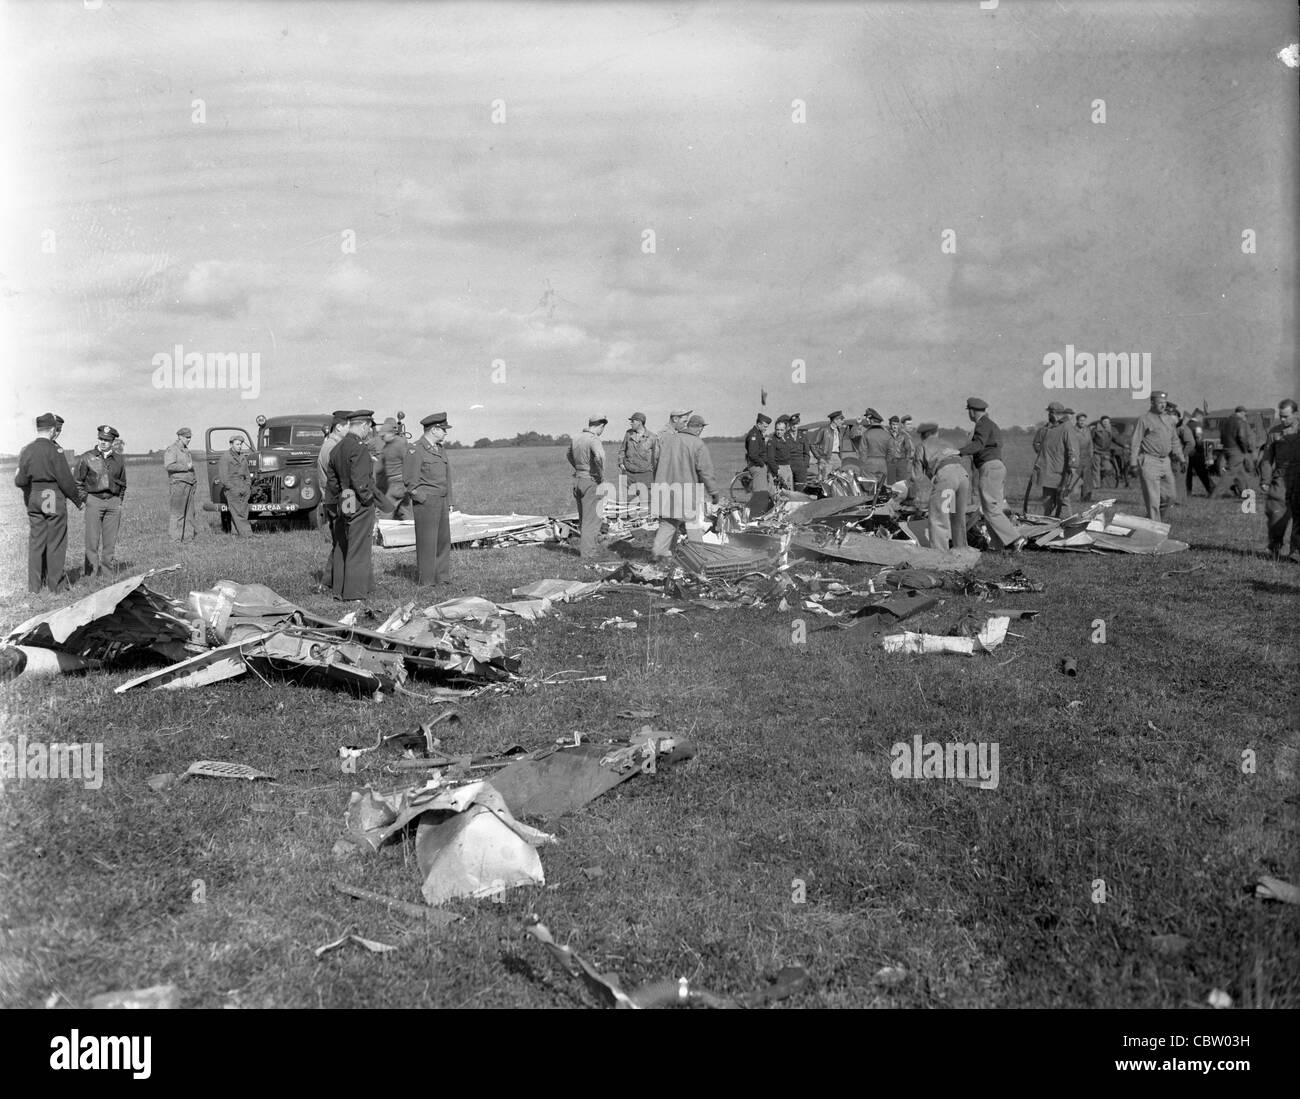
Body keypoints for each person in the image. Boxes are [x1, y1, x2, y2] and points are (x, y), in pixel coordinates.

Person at [14, 412, 84, 593]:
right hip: (51, 496)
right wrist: (78, 500)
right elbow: (65, 480)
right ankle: (56, 586)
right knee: (56, 540)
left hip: (34, 497)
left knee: (36, 542)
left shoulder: (27, 450)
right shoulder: (55, 450)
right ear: (52, 430)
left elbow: (20, 481)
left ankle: (34, 588)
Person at [651, 413, 721, 559]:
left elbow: (656, 461)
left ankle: (657, 553)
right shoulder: (698, 444)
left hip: (665, 489)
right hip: (686, 491)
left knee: (668, 522)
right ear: (700, 428)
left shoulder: (669, 440)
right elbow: (706, 472)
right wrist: (714, 493)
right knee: (693, 524)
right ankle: (699, 557)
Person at [959, 398, 1024, 551]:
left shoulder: (982, 424)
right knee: (993, 509)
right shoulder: (991, 424)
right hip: (997, 467)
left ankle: (1015, 539)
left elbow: (978, 444)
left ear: (971, 411)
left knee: (990, 509)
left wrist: (959, 451)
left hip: (989, 467)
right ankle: (998, 545)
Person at [327, 410, 379, 599]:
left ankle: (339, 589)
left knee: (343, 545)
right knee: (359, 547)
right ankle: (354, 593)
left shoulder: (337, 448)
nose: (369, 432)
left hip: (344, 499)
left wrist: (334, 505)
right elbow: (360, 481)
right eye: (368, 427)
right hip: (358, 500)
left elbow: (332, 483)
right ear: (364, 425)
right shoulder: (359, 448)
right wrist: (368, 500)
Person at [403, 412, 454, 585]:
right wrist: (423, 499)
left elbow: (447, 478)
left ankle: (442, 577)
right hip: (426, 503)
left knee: (442, 542)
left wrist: (449, 502)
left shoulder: (440, 449)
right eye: (443, 430)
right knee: (427, 543)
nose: (446, 433)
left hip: (441, 501)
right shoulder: (415, 449)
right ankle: (427, 580)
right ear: (434, 430)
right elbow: (410, 481)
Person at [74, 425, 127, 578]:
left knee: (110, 542)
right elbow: (77, 482)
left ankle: (107, 574)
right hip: (94, 501)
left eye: (107, 440)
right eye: (101, 439)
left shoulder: (118, 459)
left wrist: (119, 501)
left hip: (113, 503)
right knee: (92, 541)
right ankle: (90, 575)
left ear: (113, 441)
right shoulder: (86, 457)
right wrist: (86, 499)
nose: (103, 442)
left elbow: (123, 483)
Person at [1128, 390, 1182, 523]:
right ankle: (1154, 527)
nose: (1163, 406)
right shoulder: (1144, 419)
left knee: (1171, 496)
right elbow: (1136, 442)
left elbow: (1174, 440)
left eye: (1165, 403)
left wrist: (1181, 457)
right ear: (1152, 403)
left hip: (1165, 461)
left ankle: (1153, 521)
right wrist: (1133, 463)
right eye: (1160, 403)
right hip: (1149, 460)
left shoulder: (1169, 420)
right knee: (1153, 499)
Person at [1258, 398, 1300, 561]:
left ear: (1296, 414)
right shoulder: (1274, 432)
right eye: (1280, 416)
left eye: (1286, 416)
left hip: (1299, 478)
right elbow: (1267, 459)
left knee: (1299, 515)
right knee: (1275, 514)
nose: (1282, 420)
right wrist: (1265, 480)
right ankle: (1275, 546)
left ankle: (1296, 551)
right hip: (1280, 478)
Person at [916, 423, 969, 551]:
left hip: (946, 478)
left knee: (939, 517)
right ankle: (961, 550)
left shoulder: (922, 445)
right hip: (962, 475)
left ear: (923, 436)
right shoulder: (947, 443)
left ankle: (940, 555)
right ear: (936, 433)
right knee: (956, 515)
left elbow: (917, 475)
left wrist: (916, 498)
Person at [568, 415, 613, 561]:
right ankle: (589, 555)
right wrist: (600, 476)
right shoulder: (594, 439)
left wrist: (579, 468)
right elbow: (600, 456)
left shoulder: (576, 438)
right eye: (603, 428)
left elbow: (568, 455)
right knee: (592, 521)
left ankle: (586, 551)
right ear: (600, 426)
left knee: (584, 519)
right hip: (591, 481)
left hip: (578, 480)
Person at [1037, 402, 1079, 518]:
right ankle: (1048, 525)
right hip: (1048, 470)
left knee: (1063, 500)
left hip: (1062, 472)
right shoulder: (1049, 428)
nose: (1048, 415)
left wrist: (1073, 466)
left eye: (1049, 413)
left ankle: (1067, 526)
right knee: (1047, 500)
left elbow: (1073, 449)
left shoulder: (1067, 427)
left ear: (1054, 413)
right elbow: (1038, 444)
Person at [1210, 405, 1257, 499]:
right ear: (1242, 412)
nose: (1245, 416)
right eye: (1245, 414)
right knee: (1230, 474)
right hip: (1236, 450)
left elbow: (1221, 436)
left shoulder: (1225, 422)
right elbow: (1242, 437)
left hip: (1227, 449)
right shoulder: (1240, 422)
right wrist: (1245, 449)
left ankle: (1246, 493)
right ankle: (1215, 495)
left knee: (1240, 473)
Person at [164, 426, 201, 541]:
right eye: (186, 437)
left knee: (190, 513)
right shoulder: (172, 449)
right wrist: (185, 467)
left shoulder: (186, 450)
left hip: (189, 484)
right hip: (178, 484)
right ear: (179, 437)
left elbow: (191, 469)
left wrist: (194, 482)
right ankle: (175, 539)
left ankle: (188, 538)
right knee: (178, 513)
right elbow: (169, 466)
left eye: (190, 437)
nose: (189, 439)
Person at [618, 412, 659, 509]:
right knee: (627, 502)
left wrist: (654, 473)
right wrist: (620, 463)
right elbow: (622, 450)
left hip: (645, 475)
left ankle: (647, 522)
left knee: (647, 502)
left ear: (640, 422)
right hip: (629, 474)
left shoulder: (652, 437)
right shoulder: (628, 434)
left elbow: (656, 457)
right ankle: (629, 522)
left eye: (632, 421)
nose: (630, 423)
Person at [215, 435, 253, 535]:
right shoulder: (225, 457)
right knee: (238, 513)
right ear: (231, 444)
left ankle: (236, 534)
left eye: (240, 444)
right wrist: (232, 488)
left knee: (243, 512)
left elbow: (247, 474)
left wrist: (248, 486)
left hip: (244, 488)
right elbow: (223, 477)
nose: (239, 446)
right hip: (232, 489)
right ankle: (248, 534)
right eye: (237, 444)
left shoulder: (242, 457)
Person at [375, 417, 410, 520]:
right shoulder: (388, 446)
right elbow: (379, 467)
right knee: (405, 510)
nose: (381, 438)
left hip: (397, 484)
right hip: (399, 484)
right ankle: (412, 532)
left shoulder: (399, 444)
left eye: (383, 436)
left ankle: (382, 533)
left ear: (391, 433)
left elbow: (408, 462)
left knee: (385, 511)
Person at [854, 408, 889, 485]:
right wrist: (858, 425)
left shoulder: (866, 431)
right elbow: (853, 435)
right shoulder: (884, 430)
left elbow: (862, 450)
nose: (866, 419)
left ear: (872, 419)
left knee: (869, 487)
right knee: (881, 487)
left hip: (869, 463)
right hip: (882, 463)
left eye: (868, 417)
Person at [809, 411, 845, 480]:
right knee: (825, 480)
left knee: (837, 480)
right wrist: (819, 457)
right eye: (841, 420)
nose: (842, 422)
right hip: (826, 458)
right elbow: (812, 444)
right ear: (835, 420)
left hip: (837, 457)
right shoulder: (824, 430)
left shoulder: (839, 431)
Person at [1184, 416, 1215, 497]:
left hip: (1187, 452)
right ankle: (1212, 490)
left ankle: (1188, 492)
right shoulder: (1197, 425)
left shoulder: (1186, 425)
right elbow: (1198, 437)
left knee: (1188, 474)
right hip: (1196, 452)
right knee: (1202, 472)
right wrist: (1200, 449)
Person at [743, 413, 773, 495]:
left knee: (763, 491)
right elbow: (753, 454)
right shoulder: (754, 435)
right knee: (759, 492)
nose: (766, 429)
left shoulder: (758, 433)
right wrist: (762, 464)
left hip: (759, 466)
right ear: (759, 424)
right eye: (765, 426)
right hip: (757, 466)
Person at [766, 416, 796, 490]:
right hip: (777, 469)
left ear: (785, 430)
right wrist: (777, 471)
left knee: (789, 491)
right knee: (776, 493)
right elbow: (770, 459)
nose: (779, 432)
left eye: (781, 430)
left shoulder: (787, 439)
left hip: (787, 468)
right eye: (777, 429)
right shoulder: (772, 441)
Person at [1074, 413, 1094, 502]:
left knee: (1087, 478)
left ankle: (1086, 497)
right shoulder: (1072, 430)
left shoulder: (1087, 430)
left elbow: (1090, 444)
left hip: (1086, 457)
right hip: (1076, 457)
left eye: (1084, 420)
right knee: (1076, 478)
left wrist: (1091, 455)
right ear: (1077, 421)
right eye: (1080, 420)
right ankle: (1074, 498)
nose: (1082, 422)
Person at [786, 413, 810, 488]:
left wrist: (804, 465)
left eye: (796, 424)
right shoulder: (784, 436)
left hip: (800, 467)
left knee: (801, 489)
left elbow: (806, 453)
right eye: (792, 424)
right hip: (788, 466)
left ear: (799, 424)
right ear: (789, 424)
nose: (794, 426)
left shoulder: (803, 436)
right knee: (788, 490)